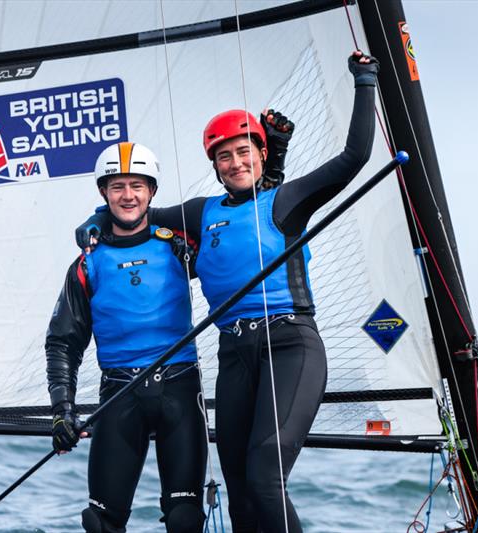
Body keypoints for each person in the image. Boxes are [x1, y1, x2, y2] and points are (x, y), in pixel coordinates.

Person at [75, 51, 379, 533]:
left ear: (262, 154)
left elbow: (354, 158)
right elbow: (134, 214)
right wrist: (94, 220)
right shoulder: (200, 213)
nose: (236, 162)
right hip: (234, 352)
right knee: (237, 485)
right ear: (215, 165)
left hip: (289, 344)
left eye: (245, 152)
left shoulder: (287, 200)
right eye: (225, 155)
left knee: (264, 475)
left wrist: (366, 81)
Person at [46, 141, 208, 533]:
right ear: (104, 193)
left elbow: (237, 239)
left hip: (180, 388)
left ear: (152, 191)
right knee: (100, 522)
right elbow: (63, 342)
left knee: (185, 518)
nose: (128, 195)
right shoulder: (88, 260)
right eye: (117, 186)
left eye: (137, 185)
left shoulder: (179, 244)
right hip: (119, 392)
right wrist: (62, 411)